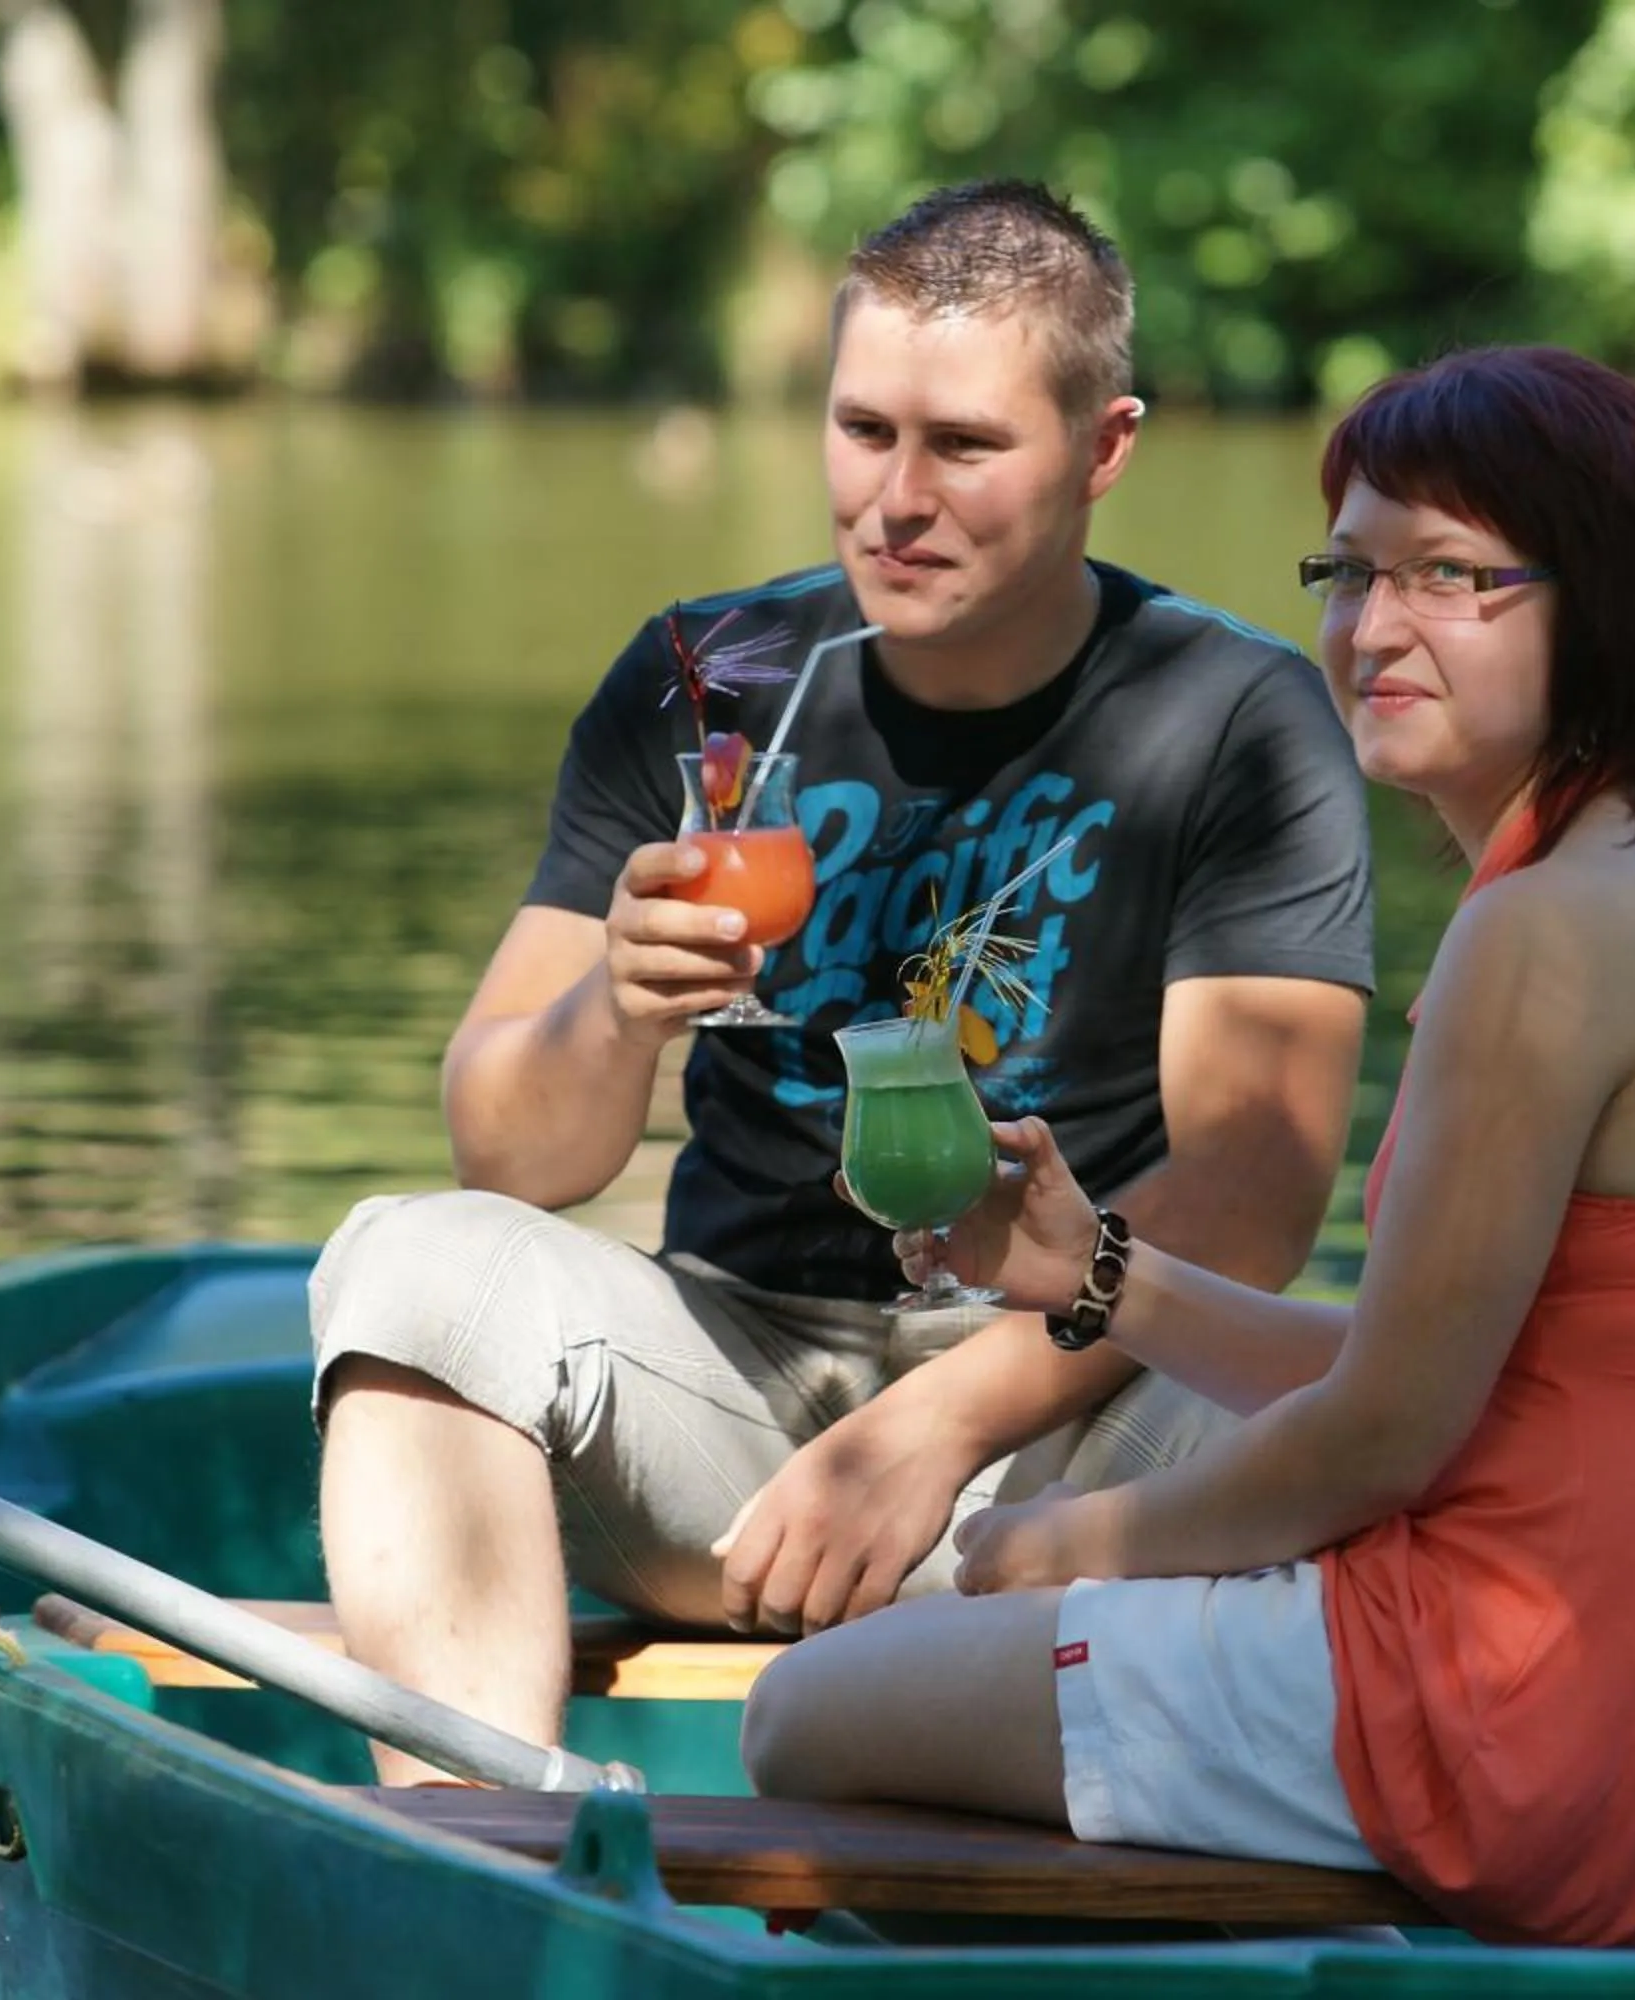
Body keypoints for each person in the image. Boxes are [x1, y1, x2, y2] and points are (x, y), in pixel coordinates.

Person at [740, 345, 1635, 1947]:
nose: (1372, 628)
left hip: (1517, 1714)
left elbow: (1384, 1441)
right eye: (1353, 571)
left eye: (1450, 577)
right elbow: (1448, 1372)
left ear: (1600, 604)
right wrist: (1102, 1275)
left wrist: (1065, 1546)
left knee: (806, 1717)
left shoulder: (1549, 930)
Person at [311, 180, 1378, 1785]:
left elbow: (1248, 1198)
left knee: (1339, 1429)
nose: (897, 499)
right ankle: (491, 1862)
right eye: (861, 431)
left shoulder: (1236, 716)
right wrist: (617, 1003)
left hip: (1057, 1422)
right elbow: (510, 1159)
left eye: (964, 446)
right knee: (404, 1260)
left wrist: (935, 1427)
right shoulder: (707, 676)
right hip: (732, 1402)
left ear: (1106, 448)